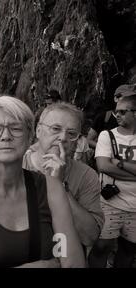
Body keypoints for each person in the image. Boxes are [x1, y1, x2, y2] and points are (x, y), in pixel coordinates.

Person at [0, 96, 85, 268]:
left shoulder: (51, 188)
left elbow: (72, 262)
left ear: (30, 136)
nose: (6, 136)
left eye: (16, 128)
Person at [22, 102, 104, 249]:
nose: (63, 138)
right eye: (55, 129)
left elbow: (90, 237)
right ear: (38, 130)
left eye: (71, 133)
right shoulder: (15, 166)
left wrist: (59, 186)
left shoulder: (87, 176)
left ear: (77, 142)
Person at [89, 94, 136, 268]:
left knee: (129, 250)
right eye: (117, 112)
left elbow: (111, 165)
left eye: (123, 112)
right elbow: (104, 166)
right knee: (101, 247)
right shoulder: (106, 136)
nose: (117, 115)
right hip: (110, 202)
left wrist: (119, 163)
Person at [86, 84, 136, 150]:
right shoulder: (104, 117)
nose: (129, 100)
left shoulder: (133, 119)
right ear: (116, 98)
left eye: (132, 98)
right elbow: (89, 140)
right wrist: (107, 149)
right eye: (126, 97)